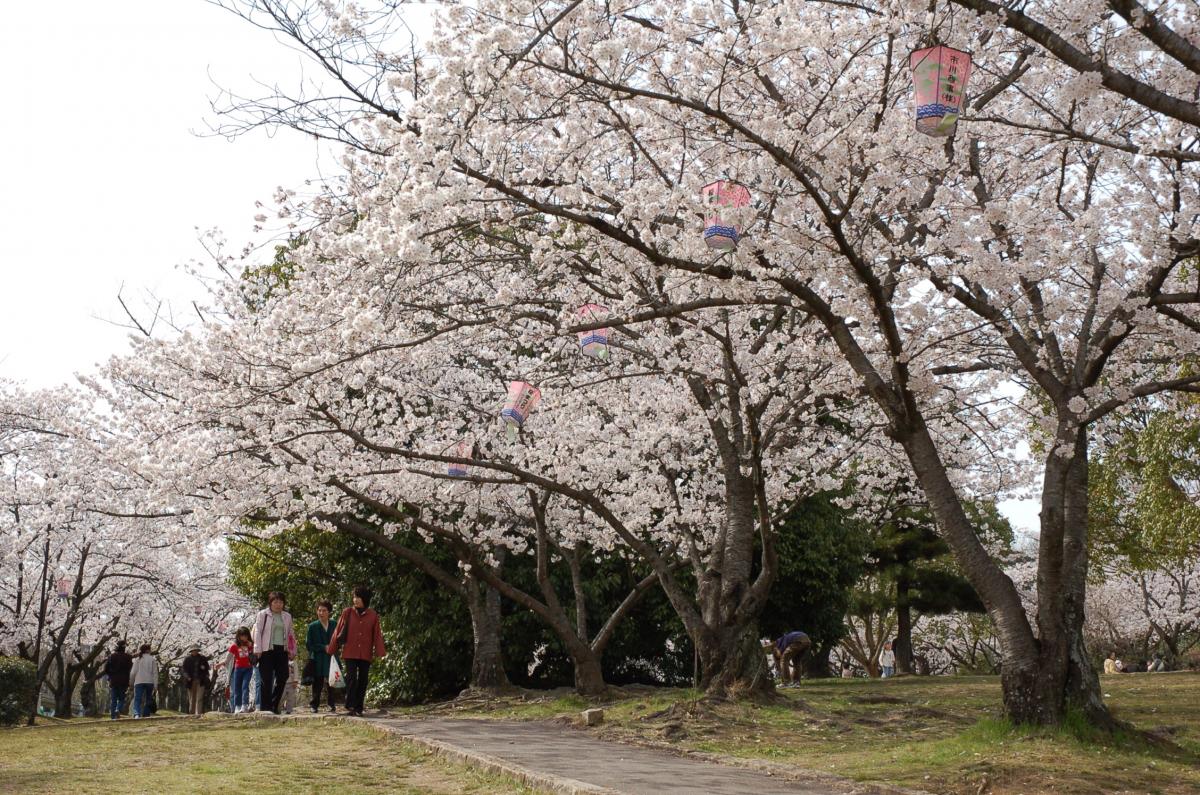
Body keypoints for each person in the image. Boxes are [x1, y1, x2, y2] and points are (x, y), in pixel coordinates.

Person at [327, 584, 386, 717]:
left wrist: (380, 652)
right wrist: (332, 648)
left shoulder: (373, 615)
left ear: (365, 598)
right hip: (350, 651)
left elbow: (377, 634)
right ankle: (351, 705)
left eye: (358, 597)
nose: (355, 600)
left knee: (363, 679)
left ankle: (359, 707)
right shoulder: (347, 612)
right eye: (354, 597)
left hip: (365, 652)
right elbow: (338, 630)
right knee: (352, 678)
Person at [252, 591, 297, 714]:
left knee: (283, 677)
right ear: (270, 603)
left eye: (281, 602)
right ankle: (265, 708)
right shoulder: (263, 614)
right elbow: (258, 632)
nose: (278, 604)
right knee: (266, 679)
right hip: (266, 650)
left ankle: (274, 705)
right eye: (275, 602)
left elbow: (290, 633)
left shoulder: (287, 616)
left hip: (282, 649)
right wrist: (257, 649)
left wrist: (293, 650)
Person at [307, 600, 338, 713]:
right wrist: (323, 647)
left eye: (324, 610)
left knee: (332, 682)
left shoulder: (334, 624)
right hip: (318, 658)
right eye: (319, 610)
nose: (321, 613)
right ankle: (314, 705)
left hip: (331, 657)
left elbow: (339, 640)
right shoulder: (312, 626)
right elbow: (309, 645)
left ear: (329, 612)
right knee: (317, 682)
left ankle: (331, 704)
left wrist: (333, 647)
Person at [218, 627, 255, 713]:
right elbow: (228, 659)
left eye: (245, 636)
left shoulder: (250, 645)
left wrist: (252, 646)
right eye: (242, 636)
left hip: (248, 669)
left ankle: (244, 705)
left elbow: (255, 654)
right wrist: (220, 664)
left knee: (245, 686)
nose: (244, 638)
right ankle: (237, 706)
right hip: (238, 669)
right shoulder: (234, 646)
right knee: (237, 688)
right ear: (238, 636)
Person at [102, 641, 133, 720]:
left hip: (114, 680)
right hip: (124, 680)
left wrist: (110, 675)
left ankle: (113, 716)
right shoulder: (128, 657)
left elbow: (106, 669)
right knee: (122, 698)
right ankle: (118, 709)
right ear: (124, 648)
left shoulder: (112, 656)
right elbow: (131, 669)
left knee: (114, 699)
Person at [181, 645, 212, 716]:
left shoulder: (203, 658)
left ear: (198, 651)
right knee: (191, 698)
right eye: (193, 650)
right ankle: (191, 714)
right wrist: (187, 677)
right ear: (191, 651)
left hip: (201, 680)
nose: (195, 652)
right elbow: (183, 670)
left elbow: (207, 668)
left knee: (199, 698)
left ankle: (199, 713)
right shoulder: (187, 659)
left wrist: (204, 668)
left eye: (196, 650)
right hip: (190, 681)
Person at [130, 644, 158, 719]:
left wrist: (131, 683)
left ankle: (136, 714)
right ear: (148, 650)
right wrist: (155, 685)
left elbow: (133, 672)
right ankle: (146, 714)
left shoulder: (137, 659)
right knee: (148, 698)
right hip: (149, 682)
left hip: (139, 681)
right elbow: (155, 673)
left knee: (137, 699)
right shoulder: (152, 659)